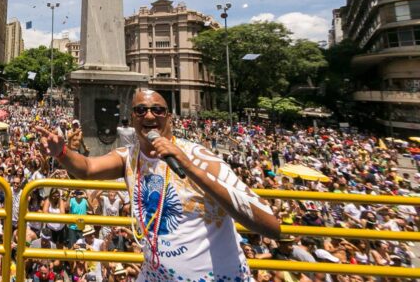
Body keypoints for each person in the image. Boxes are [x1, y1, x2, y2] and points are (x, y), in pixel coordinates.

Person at [35, 89, 281, 281]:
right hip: (154, 275)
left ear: (168, 116)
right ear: (132, 118)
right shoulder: (128, 157)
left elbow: (269, 225)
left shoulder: (200, 157)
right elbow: (87, 169)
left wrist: (188, 166)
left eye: (157, 110)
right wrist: (62, 152)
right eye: (141, 110)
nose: (149, 115)